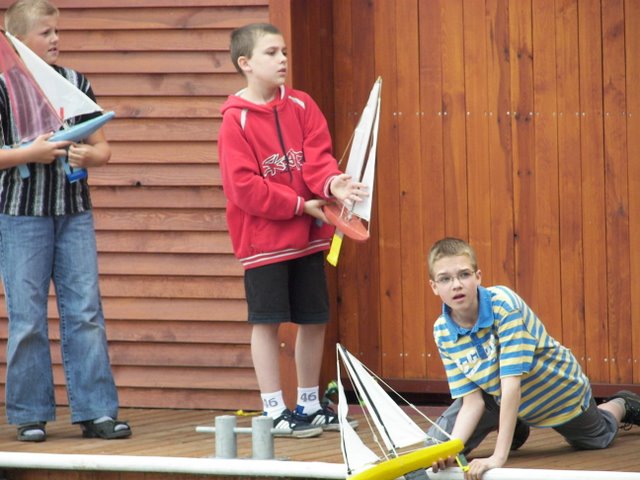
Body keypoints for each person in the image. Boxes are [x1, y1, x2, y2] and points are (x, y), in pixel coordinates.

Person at [218, 23, 366, 438]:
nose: (283, 59)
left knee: (313, 319)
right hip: (263, 243)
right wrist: (300, 205)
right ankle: (272, 410)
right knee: (266, 323)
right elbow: (243, 188)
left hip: (308, 238)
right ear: (245, 63)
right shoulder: (235, 121)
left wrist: (333, 185)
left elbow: (319, 160)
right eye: (271, 53)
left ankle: (309, 404)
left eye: (283, 51)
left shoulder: (302, 105)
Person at [0, 0, 131, 441]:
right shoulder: (1, 87)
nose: (56, 39)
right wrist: (29, 153)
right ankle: (29, 414)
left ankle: (97, 412)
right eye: (45, 32)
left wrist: (90, 154)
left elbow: (103, 147)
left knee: (86, 311)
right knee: (27, 317)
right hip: (20, 215)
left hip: (74, 213)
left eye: (57, 30)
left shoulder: (75, 83)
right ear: (19, 40)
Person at [426, 237, 640, 480]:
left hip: (555, 393)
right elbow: (472, 402)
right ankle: (513, 423)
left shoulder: (503, 305)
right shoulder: (442, 331)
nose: (456, 285)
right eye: (445, 279)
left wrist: (498, 457)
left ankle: (622, 403)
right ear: (434, 286)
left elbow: (512, 385)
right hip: (497, 396)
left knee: (598, 438)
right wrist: (451, 449)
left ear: (478, 277)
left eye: (464, 275)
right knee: (434, 449)